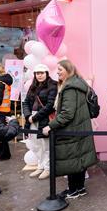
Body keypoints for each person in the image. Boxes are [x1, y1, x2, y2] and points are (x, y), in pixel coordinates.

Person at [42, 60, 97, 199]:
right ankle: (80, 188)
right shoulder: (79, 84)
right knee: (80, 159)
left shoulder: (70, 88)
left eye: (60, 69)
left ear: (68, 70)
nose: (58, 72)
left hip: (72, 130)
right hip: (81, 128)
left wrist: (51, 125)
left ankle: (73, 190)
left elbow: (67, 113)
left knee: (72, 160)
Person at [22, 64, 57, 180]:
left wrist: (35, 117)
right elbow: (26, 102)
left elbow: (50, 106)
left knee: (46, 145)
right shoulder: (33, 86)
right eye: (37, 73)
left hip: (44, 119)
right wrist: (28, 116)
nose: (40, 75)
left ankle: (48, 168)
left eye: (42, 73)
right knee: (36, 145)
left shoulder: (53, 86)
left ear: (47, 73)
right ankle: (41, 166)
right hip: (32, 118)